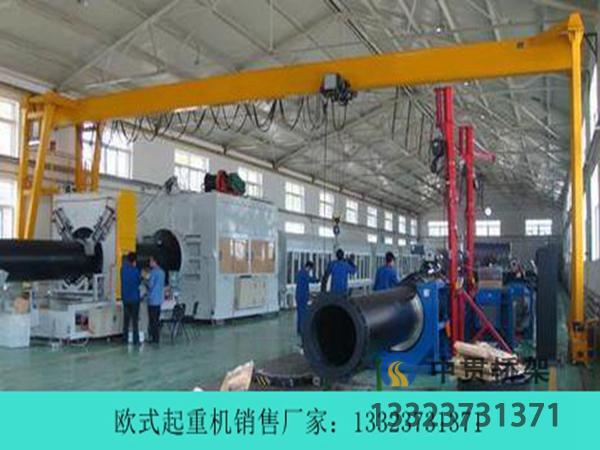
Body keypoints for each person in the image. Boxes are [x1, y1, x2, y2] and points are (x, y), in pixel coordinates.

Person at [121, 252, 141, 345]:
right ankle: (135, 340)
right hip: (134, 299)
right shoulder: (136, 270)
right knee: (135, 321)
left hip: (125, 298)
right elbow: (138, 281)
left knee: (126, 321)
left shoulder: (123, 270)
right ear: (134, 261)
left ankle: (124, 339)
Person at [295, 261, 318, 336]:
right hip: (303, 296)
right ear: (308, 267)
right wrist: (317, 280)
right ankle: (302, 330)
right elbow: (310, 279)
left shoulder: (300, 272)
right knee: (303, 314)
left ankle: (299, 329)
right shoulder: (304, 273)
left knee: (299, 313)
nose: (310, 270)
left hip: (298, 295)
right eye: (310, 269)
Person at [146, 255, 165, 344]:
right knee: (156, 320)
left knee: (152, 320)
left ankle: (153, 338)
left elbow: (150, 286)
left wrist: (145, 280)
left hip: (152, 300)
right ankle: (156, 338)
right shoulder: (162, 272)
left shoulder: (153, 272)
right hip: (159, 300)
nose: (149, 263)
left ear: (155, 262)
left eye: (150, 261)